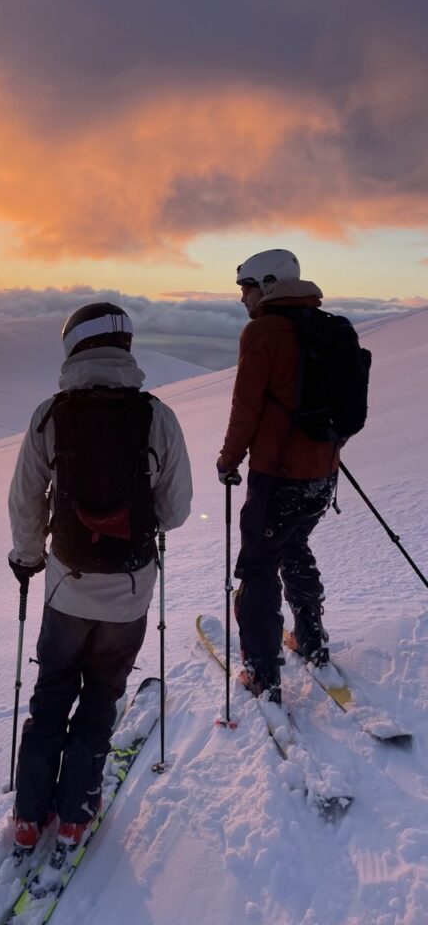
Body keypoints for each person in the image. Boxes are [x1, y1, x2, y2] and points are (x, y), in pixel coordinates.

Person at [7, 301, 192, 856]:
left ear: (73, 348)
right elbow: (178, 509)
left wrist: (28, 556)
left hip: (67, 586)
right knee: (101, 696)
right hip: (131, 593)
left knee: (51, 694)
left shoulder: (50, 414)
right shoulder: (157, 416)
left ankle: (28, 814)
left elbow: (24, 500)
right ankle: (73, 817)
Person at [217, 249, 341, 705]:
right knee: (294, 546)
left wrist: (228, 460)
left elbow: (245, 408)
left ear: (268, 285)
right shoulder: (328, 327)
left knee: (258, 566)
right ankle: (311, 639)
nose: (243, 298)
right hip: (323, 477)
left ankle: (262, 672)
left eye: (246, 287)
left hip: (278, 477)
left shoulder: (262, 332)